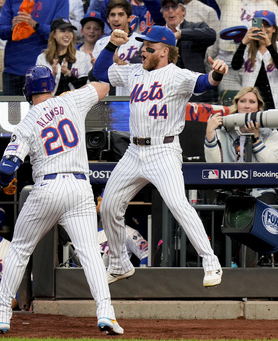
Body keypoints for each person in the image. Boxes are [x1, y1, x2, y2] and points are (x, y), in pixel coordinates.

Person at [0, 65, 124, 335]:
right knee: (91, 254)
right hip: (81, 188)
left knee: (20, 250)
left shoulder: (29, 120)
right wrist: (110, 50)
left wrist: (4, 183)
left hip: (48, 186)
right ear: (51, 86)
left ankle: (1, 314)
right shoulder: (71, 99)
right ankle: (107, 314)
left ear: (27, 91)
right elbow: (104, 84)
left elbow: (6, 169)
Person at [93, 26, 225, 287]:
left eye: (149, 47)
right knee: (108, 206)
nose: (143, 50)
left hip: (163, 150)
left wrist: (217, 73)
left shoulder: (177, 76)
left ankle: (211, 262)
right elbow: (99, 73)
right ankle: (119, 264)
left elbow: (204, 83)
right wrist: (110, 46)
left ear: (165, 51)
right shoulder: (133, 72)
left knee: (177, 204)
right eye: (143, 45)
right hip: (134, 151)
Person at [204, 87, 278, 204]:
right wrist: (210, 133)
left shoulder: (270, 132)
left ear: (258, 106)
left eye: (252, 102)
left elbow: (273, 166)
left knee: (266, 205)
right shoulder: (222, 131)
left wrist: (256, 139)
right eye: (242, 101)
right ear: (237, 105)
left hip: (261, 190)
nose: (247, 106)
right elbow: (213, 165)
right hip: (229, 189)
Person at [231, 11, 278, 131]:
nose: (263, 29)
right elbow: (235, 65)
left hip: (277, 104)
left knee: (276, 141)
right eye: (260, 25)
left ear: (274, 29)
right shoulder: (247, 49)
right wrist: (244, 42)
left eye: (267, 25)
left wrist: (269, 45)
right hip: (252, 105)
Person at [0, 0, 68, 95]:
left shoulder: (60, 1)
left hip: (44, 70)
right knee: (11, 109)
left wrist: (36, 25)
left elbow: (61, 33)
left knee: (41, 109)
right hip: (13, 70)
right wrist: (12, 28)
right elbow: (1, 32)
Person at [160, 0, 217, 102]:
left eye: (174, 6)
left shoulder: (196, 27)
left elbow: (211, 35)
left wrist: (180, 34)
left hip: (194, 92)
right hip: (166, 92)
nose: (170, 11)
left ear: (183, 11)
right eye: (166, 8)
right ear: (163, 13)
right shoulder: (158, 33)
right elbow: (139, 56)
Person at [92, 0, 142, 96]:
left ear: (129, 18)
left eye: (120, 15)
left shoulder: (140, 41)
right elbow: (94, 76)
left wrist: (120, 62)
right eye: (112, 15)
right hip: (105, 100)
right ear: (107, 19)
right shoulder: (100, 43)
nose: (116, 19)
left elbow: (142, 71)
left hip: (129, 98)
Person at [35, 17, 91, 96]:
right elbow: (39, 88)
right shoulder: (42, 58)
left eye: (70, 31)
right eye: (63, 31)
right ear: (54, 34)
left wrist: (69, 74)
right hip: (51, 104)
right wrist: (53, 75)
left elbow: (84, 87)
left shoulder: (81, 56)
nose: (67, 35)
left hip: (74, 104)